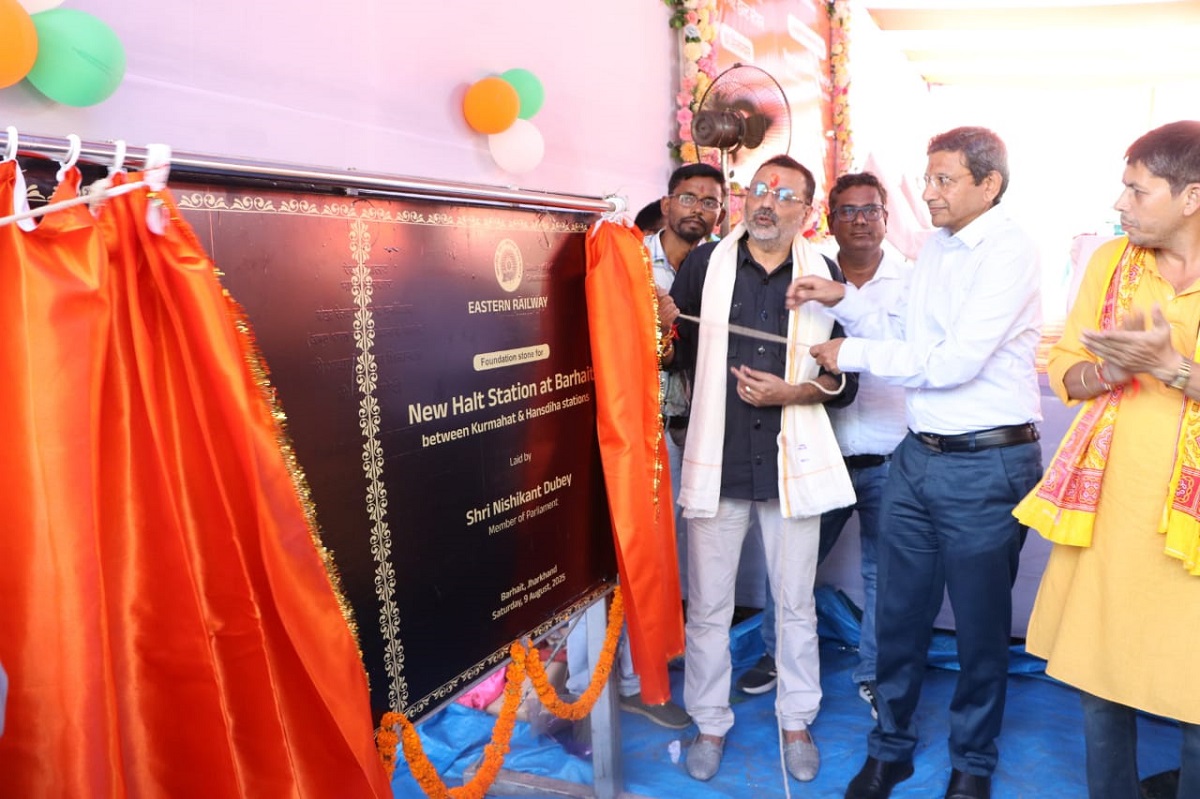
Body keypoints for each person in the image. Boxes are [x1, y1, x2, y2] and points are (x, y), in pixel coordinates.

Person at [788, 126, 1043, 799]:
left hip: (987, 463)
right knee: (897, 618)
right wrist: (841, 300)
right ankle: (891, 749)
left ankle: (972, 763)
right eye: (927, 178)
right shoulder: (935, 248)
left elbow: (953, 362)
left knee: (980, 628)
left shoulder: (1009, 251)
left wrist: (850, 353)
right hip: (916, 457)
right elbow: (900, 327)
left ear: (989, 184)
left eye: (943, 179)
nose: (927, 193)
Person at [1013, 120, 1200, 799]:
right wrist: (1105, 373)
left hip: (1189, 529)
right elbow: (1066, 363)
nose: (1121, 204)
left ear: (1192, 197)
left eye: (1137, 190)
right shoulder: (1111, 263)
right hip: (1111, 513)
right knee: (1102, 680)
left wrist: (1174, 368)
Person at [659, 154, 858, 783]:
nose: (767, 202)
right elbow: (676, 356)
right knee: (708, 608)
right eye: (759, 189)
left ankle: (795, 719)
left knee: (795, 606)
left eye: (783, 194)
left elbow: (845, 381)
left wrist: (791, 393)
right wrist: (659, 326)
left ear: (807, 211)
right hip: (717, 463)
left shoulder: (825, 273)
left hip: (789, 465)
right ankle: (709, 722)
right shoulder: (705, 264)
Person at [737, 173, 910, 718]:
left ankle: (875, 674)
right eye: (847, 211)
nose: (860, 220)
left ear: (886, 217)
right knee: (792, 562)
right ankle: (775, 654)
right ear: (829, 219)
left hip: (892, 454)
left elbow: (917, 354)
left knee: (885, 574)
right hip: (817, 449)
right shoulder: (809, 272)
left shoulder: (912, 280)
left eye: (870, 210)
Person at [566, 162, 725, 730]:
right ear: (667, 201)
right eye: (690, 197)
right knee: (610, 561)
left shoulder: (719, 268)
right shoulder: (626, 258)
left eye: (711, 201)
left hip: (687, 434)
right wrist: (655, 323)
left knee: (660, 560)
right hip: (626, 437)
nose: (699, 209)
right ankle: (591, 690)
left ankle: (642, 672)